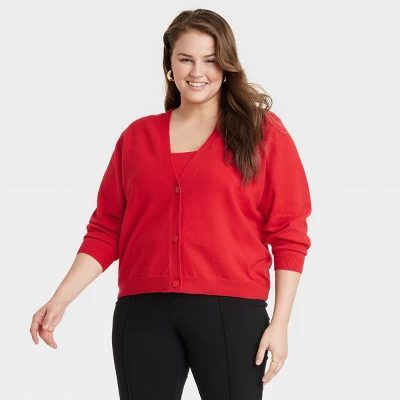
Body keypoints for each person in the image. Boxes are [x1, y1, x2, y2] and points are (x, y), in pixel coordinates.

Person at [30, 8, 312, 400]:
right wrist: (59, 300)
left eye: (210, 60)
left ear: (227, 65)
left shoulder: (262, 133)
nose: (198, 72)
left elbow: (289, 233)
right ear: (170, 65)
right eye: (186, 59)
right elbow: (107, 228)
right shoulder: (137, 138)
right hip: (143, 313)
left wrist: (280, 323)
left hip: (232, 311)